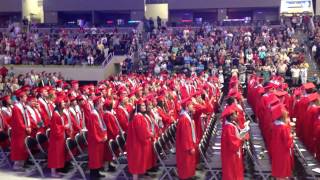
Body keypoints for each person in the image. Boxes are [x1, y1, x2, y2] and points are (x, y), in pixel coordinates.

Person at [126, 99, 153, 180]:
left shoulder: (139, 116)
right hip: (136, 144)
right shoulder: (138, 118)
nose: (145, 106)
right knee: (136, 164)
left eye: (145, 105)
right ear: (138, 107)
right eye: (142, 105)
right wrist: (149, 134)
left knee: (138, 163)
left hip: (137, 143)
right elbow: (142, 132)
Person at [221, 107, 247, 180]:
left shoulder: (231, 124)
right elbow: (232, 142)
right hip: (231, 153)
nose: (237, 116)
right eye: (235, 114)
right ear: (231, 116)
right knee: (232, 172)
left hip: (231, 152)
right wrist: (241, 139)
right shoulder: (229, 127)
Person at [270, 104, 294, 179]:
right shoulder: (284, 127)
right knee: (283, 171)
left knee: (278, 170)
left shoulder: (274, 125)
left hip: (276, 150)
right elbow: (287, 143)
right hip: (283, 152)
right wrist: (292, 136)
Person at [176, 97, 197, 179]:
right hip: (185, 148)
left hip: (186, 145)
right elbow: (186, 135)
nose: (193, 106)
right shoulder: (184, 119)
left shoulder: (186, 116)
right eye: (191, 104)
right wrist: (190, 147)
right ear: (187, 107)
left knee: (188, 166)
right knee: (186, 166)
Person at [88, 96, 108, 178]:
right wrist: (100, 138)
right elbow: (94, 130)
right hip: (95, 140)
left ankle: (97, 173)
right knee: (94, 158)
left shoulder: (98, 112)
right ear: (97, 103)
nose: (102, 104)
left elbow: (101, 126)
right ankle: (93, 175)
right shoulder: (93, 114)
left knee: (98, 158)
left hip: (99, 139)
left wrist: (104, 135)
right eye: (101, 102)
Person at [47, 97, 68, 177]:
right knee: (54, 155)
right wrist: (64, 127)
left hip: (60, 138)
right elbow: (56, 128)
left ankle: (56, 170)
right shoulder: (55, 114)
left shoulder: (59, 113)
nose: (64, 104)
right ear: (59, 104)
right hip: (56, 138)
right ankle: (53, 172)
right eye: (62, 103)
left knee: (58, 154)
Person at [10, 89, 30, 170]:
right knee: (19, 147)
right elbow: (19, 121)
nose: (26, 97)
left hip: (23, 130)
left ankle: (21, 164)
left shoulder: (22, 106)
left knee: (23, 147)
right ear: (21, 98)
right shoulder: (16, 107)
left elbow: (26, 117)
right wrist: (26, 128)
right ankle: (17, 165)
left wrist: (28, 126)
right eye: (25, 96)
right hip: (19, 131)